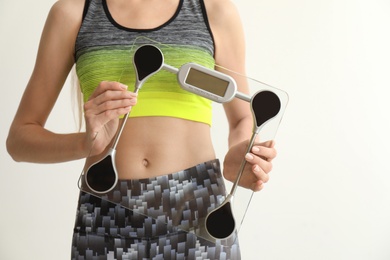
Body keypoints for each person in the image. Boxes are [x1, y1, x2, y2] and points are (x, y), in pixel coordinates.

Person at [6, 0, 277, 259]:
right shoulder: (71, 14)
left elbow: (243, 119)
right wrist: (87, 143)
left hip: (200, 208)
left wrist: (241, 158)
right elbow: (19, 138)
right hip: (106, 209)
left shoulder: (215, 11)